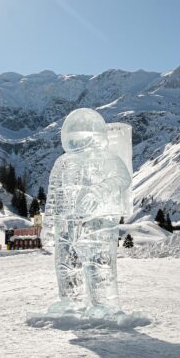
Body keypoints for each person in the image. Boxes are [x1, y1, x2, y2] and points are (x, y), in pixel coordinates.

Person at [45, 108, 131, 318]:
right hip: (66, 225)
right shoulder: (62, 163)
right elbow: (54, 197)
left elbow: (122, 178)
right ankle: (71, 301)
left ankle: (104, 304)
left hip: (98, 225)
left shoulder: (108, 158)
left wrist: (99, 192)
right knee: (66, 265)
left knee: (99, 265)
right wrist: (48, 226)